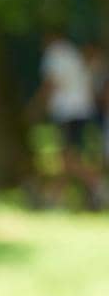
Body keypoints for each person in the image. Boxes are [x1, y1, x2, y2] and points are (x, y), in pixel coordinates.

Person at [34, 31, 106, 209]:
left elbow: (51, 84)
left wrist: (36, 107)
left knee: (68, 158)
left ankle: (97, 184)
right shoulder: (73, 53)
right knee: (67, 157)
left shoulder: (54, 53)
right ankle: (55, 197)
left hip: (67, 111)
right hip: (82, 110)